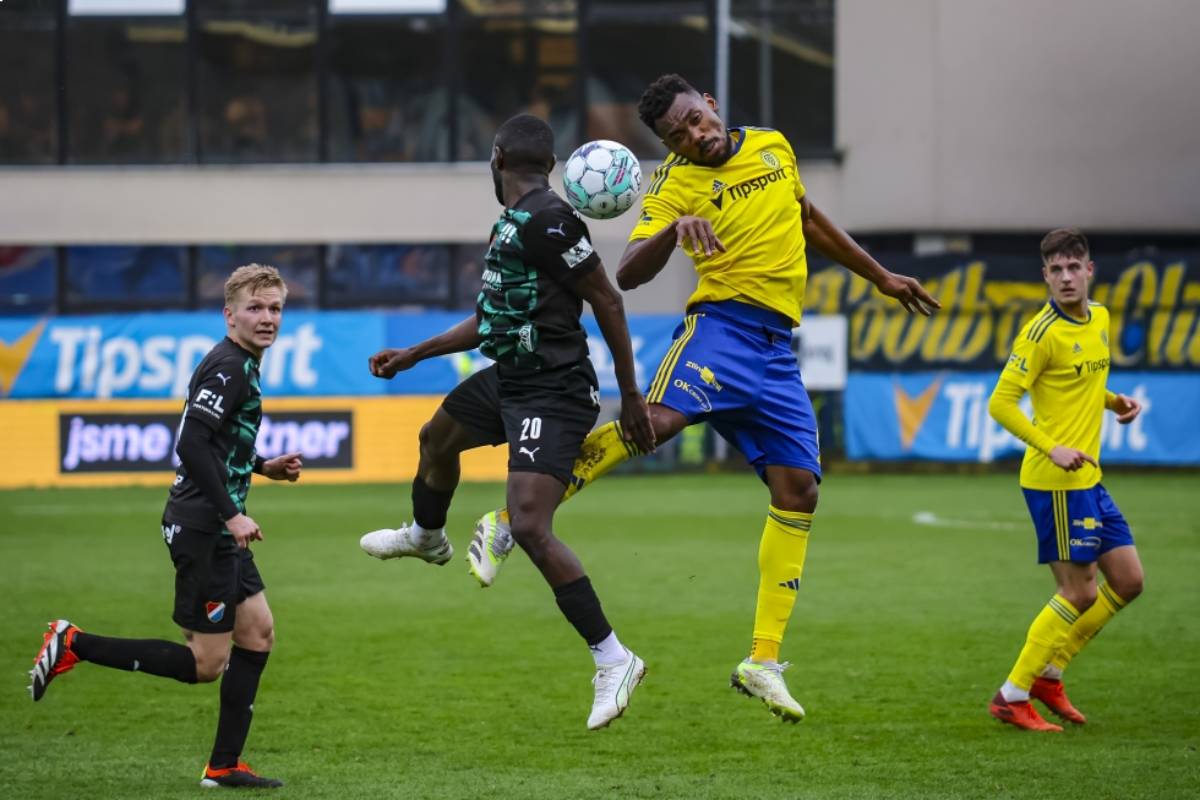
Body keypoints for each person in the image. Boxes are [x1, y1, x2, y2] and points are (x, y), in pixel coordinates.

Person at [464, 73, 940, 723]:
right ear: (667, 145)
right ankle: (510, 522)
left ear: (712, 104)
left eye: (695, 119)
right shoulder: (673, 186)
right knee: (651, 424)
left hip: (777, 350)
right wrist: (675, 229)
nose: (694, 135)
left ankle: (762, 662)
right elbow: (627, 271)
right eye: (677, 135)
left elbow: (804, 216)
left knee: (799, 489)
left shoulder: (773, 145)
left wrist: (880, 274)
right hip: (722, 329)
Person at [358, 113, 656, 731]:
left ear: (496, 159)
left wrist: (630, 396)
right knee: (435, 439)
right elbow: (491, 319)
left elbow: (607, 299)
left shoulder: (550, 219)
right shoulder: (515, 223)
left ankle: (614, 658)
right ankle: (425, 536)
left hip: (554, 391)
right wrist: (415, 354)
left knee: (528, 525)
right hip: (513, 377)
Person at [28, 264, 303, 788]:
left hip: (216, 528)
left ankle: (224, 766)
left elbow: (216, 442)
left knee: (259, 632)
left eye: (275, 309)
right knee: (205, 663)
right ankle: (74, 643)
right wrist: (232, 513)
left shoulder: (239, 364)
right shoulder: (230, 366)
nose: (267, 318)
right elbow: (191, 444)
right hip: (206, 530)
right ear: (230, 315)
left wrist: (262, 466)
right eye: (255, 308)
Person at [985, 228, 1144, 732]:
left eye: (1074, 267)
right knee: (1079, 592)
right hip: (1053, 480)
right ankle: (1013, 694)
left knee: (1128, 580)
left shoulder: (1099, 318)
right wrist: (1050, 445)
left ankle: (1051, 674)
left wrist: (1114, 400)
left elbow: (1082, 380)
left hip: (1089, 478)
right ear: (1046, 277)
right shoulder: (1039, 333)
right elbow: (1000, 402)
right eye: (1056, 270)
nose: (1067, 277)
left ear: (1090, 271)